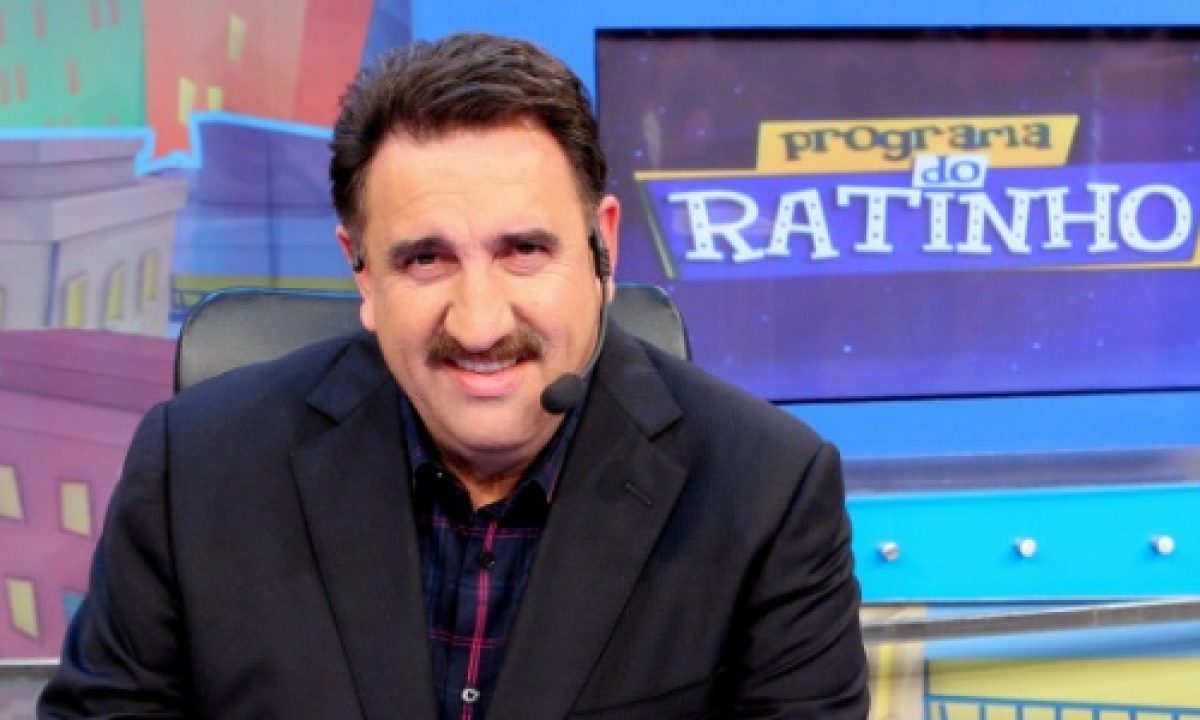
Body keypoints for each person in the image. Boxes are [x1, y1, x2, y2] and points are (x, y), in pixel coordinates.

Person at [39, 32, 869, 719]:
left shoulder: (766, 492)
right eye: (426, 259)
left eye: (524, 250)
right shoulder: (196, 467)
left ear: (603, 247)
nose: (479, 324)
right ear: (363, 272)